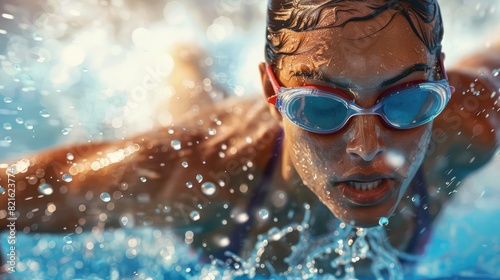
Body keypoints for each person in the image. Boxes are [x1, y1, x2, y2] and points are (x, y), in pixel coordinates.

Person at [1, 0, 499, 277]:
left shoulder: (474, 122)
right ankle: (183, 57)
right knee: (189, 104)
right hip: (219, 146)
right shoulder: (195, 175)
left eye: (407, 102)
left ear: (440, 82)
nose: (367, 145)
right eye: (320, 108)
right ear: (271, 91)